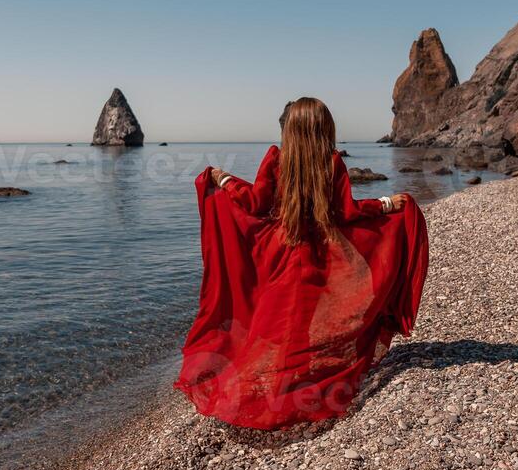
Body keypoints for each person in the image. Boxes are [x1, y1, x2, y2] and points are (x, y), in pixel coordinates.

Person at [175, 97, 430, 430]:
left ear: (290, 129)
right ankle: (304, 380)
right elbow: (346, 213)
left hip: (280, 253)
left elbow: (254, 202)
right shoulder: (332, 162)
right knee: (309, 320)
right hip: (321, 256)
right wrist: (385, 205)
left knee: (276, 325)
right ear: (324, 128)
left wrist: (223, 180)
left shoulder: (276, 159)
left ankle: (272, 385)